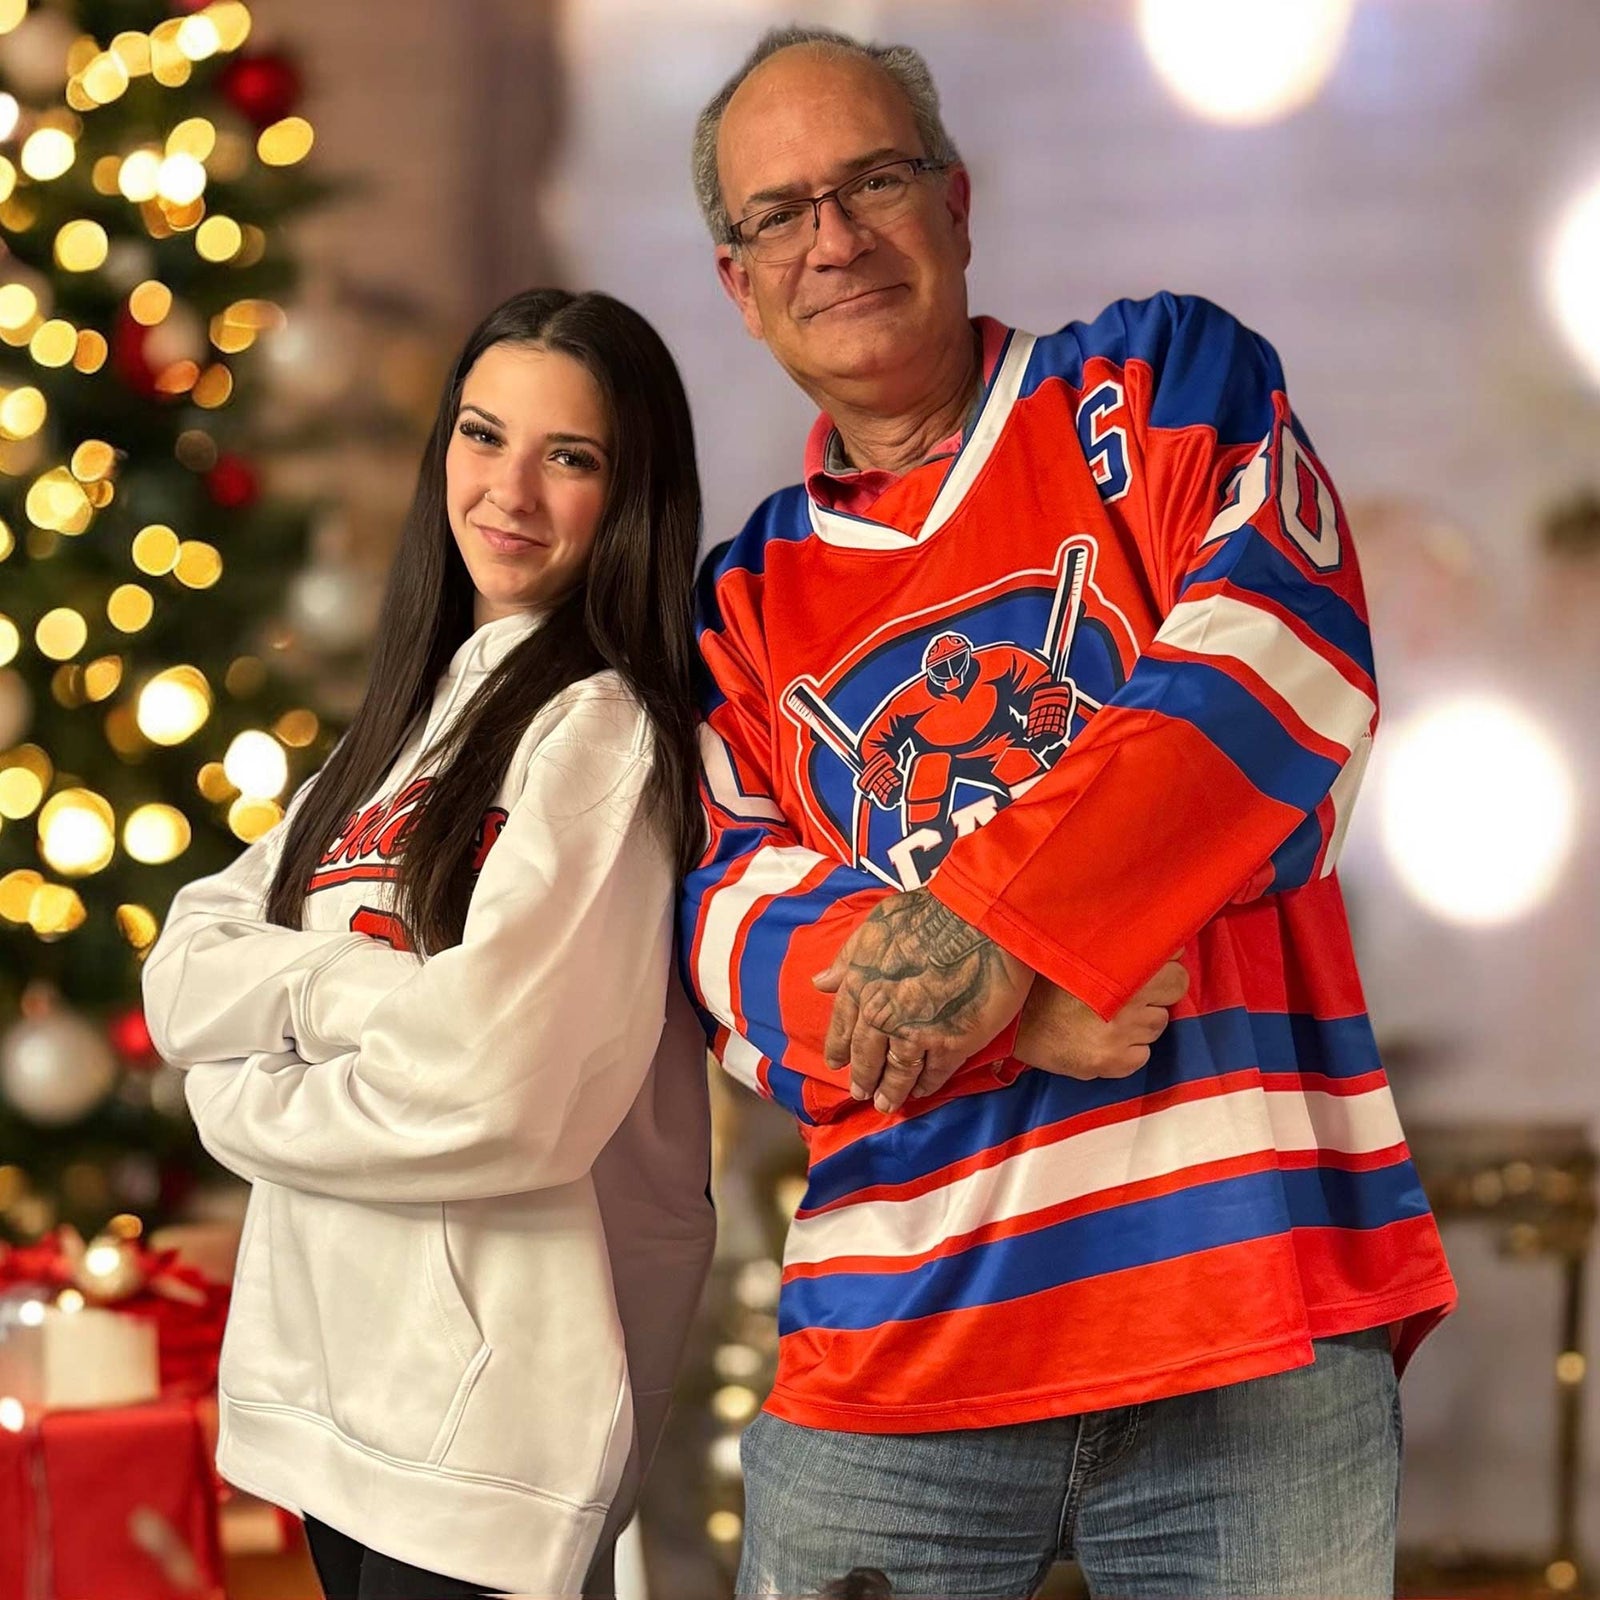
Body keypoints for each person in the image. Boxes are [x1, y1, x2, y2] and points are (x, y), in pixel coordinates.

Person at [682, 26, 1457, 1599]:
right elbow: (729, 951)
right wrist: (1027, 1005)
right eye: (780, 213)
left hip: (1248, 1317)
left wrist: (972, 936)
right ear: (739, 281)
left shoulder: (1157, 381)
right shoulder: (741, 603)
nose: (832, 237)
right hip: (895, 1355)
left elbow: (1273, 690)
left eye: (874, 179)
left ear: (957, 202)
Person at [143, 289, 715, 1600]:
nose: (508, 490)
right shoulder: (403, 720)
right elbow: (184, 970)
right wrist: (374, 999)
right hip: (336, 1397)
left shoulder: (600, 733)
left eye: (569, 458)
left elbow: (498, 1096)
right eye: (480, 435)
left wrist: (254, 1077)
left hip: (489, 1439)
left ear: (628, 498)